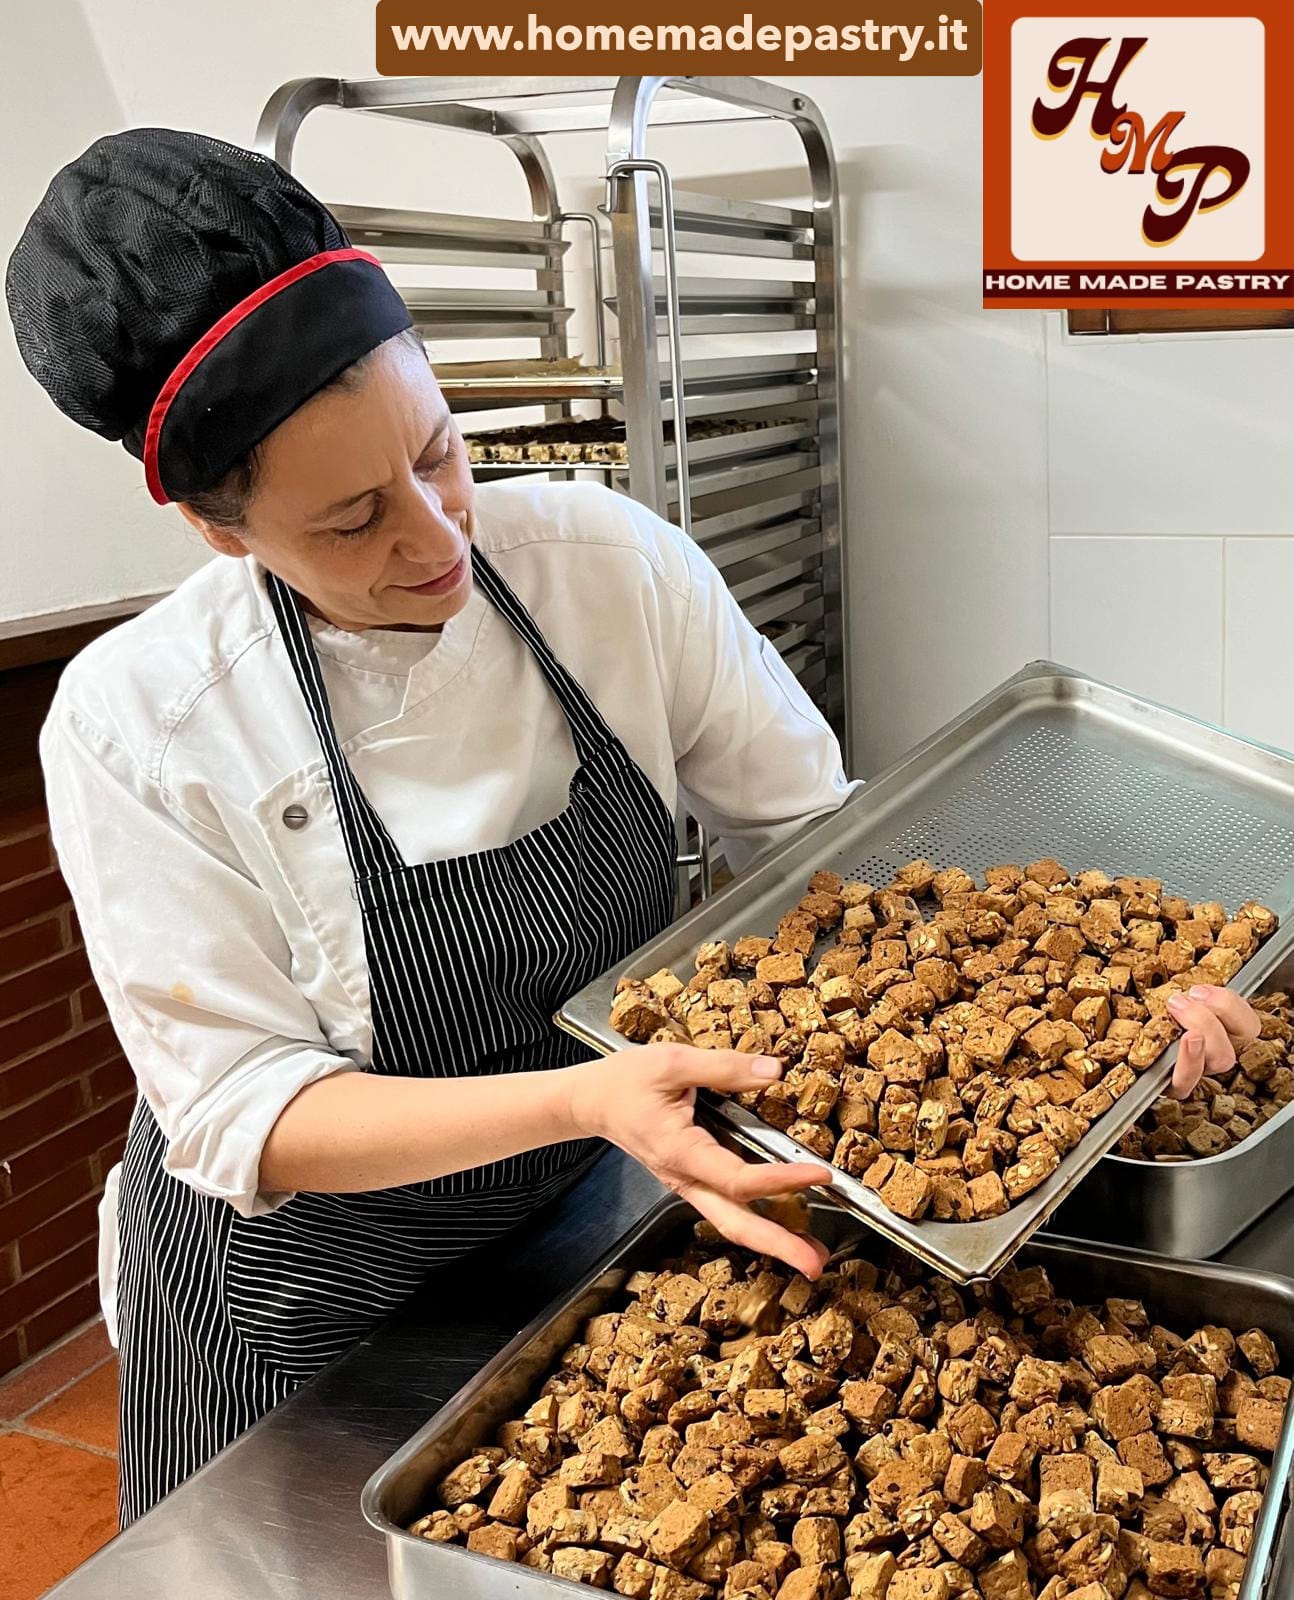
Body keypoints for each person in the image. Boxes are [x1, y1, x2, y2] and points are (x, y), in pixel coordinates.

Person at [7, 128, 851, 1521]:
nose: (436, 538)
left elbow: (820, 848)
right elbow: (236, 1109)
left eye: (440, 451)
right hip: (300, 1296)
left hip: (573, 1211)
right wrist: (589, 1098)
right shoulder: (139, 721)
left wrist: (1094, 989)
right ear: (226, 535)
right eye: (350, 523)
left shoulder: (607, 566)